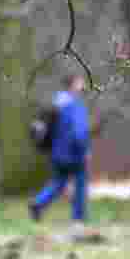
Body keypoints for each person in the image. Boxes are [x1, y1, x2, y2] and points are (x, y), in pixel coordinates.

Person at [29, 74, 92, 227]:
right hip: (75, 154)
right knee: (80, 184)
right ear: (73, 85)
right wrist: (85, 150)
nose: (82, 84)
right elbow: (79, 132)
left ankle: (38, 203)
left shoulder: (57, 103)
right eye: (80, 81)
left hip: (57, 153)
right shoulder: (75, 105)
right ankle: (78, 220)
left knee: (59, 182)